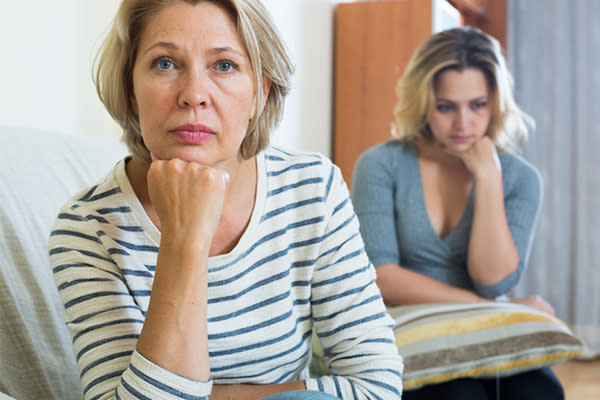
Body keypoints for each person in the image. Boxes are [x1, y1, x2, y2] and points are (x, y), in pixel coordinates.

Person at [48, 1, 403, 400]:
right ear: (131, 91)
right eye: (165, 63)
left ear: (259, 94)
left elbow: (377, 387)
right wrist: (184, 242)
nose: (194, 95)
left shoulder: (313, 189)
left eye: (224, 65)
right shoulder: (87, 228)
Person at [351, 27, 564, 399]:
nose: (463, 123)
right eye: (446, 107)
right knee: (461, 396)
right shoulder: (380, 164)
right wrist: (489, 308)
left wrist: (488, 176)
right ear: (423, 103)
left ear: (496, 103)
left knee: (540, 391)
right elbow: (381, 278)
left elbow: (492, 281)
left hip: (483, 330)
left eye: (478, 105)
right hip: (408, 329)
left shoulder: (520, 178)